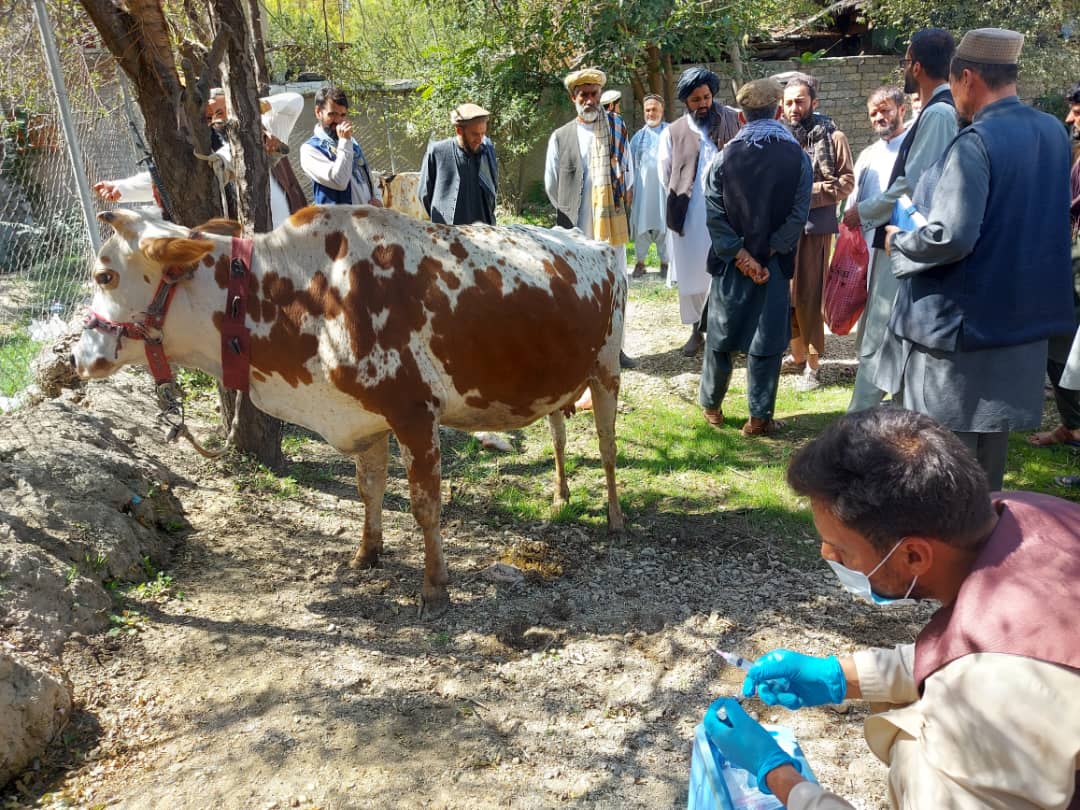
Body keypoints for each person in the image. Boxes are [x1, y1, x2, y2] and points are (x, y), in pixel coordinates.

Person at [702, 407, 1080, 809]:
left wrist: (777, 775)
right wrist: (839, 676)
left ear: (914, 556)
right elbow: (975, 645)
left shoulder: (991, 699)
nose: (826, 553)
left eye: (842, 549)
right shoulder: (1029, 516)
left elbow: (990, 665)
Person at [875, 28, 1075, 491]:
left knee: (944, 466)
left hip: (959, 331)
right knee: (988, 473)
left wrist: (900, 242)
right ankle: (983, 558)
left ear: (967, 78)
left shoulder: (976, 142)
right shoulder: (1052, 131)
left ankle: (946, 560)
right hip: (1021, 319)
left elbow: (952, 236)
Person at [843, 28, 957, 411]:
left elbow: (915, 186)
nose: (905, 68)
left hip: (907, 242)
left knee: (879, 336)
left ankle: (855, 430)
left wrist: (865, 211)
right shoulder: (934, 111)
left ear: (918, 66)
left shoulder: (939, 114)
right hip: (899, 241)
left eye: (906, 61)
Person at [698, 78, 811, 436]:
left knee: (720, 335)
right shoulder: (798, 158)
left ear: (742, 118)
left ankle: (712, 407)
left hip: (732, 266)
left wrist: (741, 255)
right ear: (778, 111)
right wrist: (767, 253)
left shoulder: (723, 158)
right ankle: (759, 417)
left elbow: (714, 213)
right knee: (765, 342)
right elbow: (798, 215)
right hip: (773, 267)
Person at [95, 90, 308, 228]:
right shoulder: (211, 150)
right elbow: (174, 178)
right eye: (211, 116)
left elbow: (294, 101)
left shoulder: (266, 129)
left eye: (223, 110)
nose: (219, 118)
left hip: (289, 229)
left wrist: (252, 109)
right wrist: (121, 188)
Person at [544, 67, 636, 369]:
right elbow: (551, 183)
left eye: (593, 94)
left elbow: (628, 171)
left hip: (611, 224)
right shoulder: (561, 136)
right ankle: (582, 351)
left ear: (600, 96)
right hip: (577, 228)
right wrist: (571, 210)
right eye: (583, 94)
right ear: (573, 98)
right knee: (577, 287)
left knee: (615, 284)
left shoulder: (618, 127)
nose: (589, 99)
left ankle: (617, 349)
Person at [658, 67, 741, 357]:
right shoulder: (673, 132)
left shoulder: (733, 118)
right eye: (696, 99)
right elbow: (664, 173)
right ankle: (696, 331)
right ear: (685, 101)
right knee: (693, 275)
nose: (703, 103)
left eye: (706, 97)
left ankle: (726, 332)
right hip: (690, 215)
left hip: (728, 212)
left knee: (726, 272)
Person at [779, 75, 854, 391]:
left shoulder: (833, 136)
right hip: (783, 230)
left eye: (800, 101)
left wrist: (808, 193)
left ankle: (813, 366)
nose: (794, 108)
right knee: (787, 295)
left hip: (815, 230)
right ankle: (796, 353)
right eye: (789, 102)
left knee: (810, 295)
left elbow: (846, 183)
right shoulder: (779, 137)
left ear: (814, 103)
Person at [1028, 80, 1080, 449]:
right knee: (1058, 345)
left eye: (1077, 112)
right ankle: (1072, 425)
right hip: (1069, 259)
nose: (1069, 118)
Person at [299, 86, 383, 207]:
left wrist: (377, 198)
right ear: (318, 112)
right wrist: (344, 141)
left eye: (342, 115)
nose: (338, 121)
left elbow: (367, 175)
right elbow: (339, 181)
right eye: (332, 114)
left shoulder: (350, 142)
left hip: (364, 220)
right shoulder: (310, 150)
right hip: (337, 223)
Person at [418, 103, 498, 226]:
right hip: (449, 233)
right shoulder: (437, 152)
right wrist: (441, 220)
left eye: (483, 133)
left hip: (484, 232)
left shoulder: (487, 150)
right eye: (475, 134)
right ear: (459, 130)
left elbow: (493, 189)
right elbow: (424, 195)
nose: (480, 139)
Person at [628, 93, 670, 279]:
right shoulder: (638, 137)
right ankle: (640, 263)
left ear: (662, 111)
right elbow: (629, 166)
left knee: (664, 225)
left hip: (664, 191)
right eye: (647, 110)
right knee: (641, 227)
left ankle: (665, 263)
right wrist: (629, 190)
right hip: (642, 192)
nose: (651, 113)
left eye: (654, 109)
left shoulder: (670, 133)